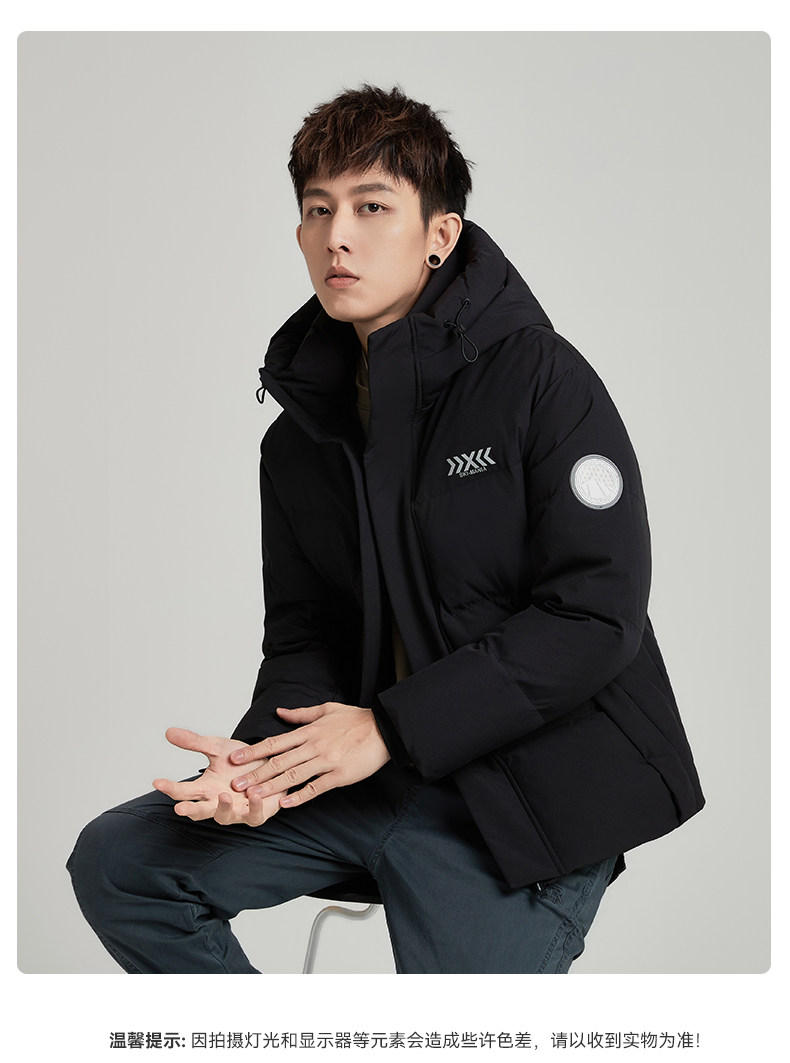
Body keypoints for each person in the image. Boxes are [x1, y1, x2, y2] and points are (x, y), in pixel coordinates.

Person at [67, 85, 704, 974]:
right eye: (317, 210)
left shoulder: (541, 379)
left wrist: (391, 728)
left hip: (524, 797)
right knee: (123, 862)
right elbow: (307, 634)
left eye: (372, 207)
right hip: (375, 777)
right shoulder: (299, 440)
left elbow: (596, 615)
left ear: (440, 233)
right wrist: (262, 767)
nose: (338, 236)